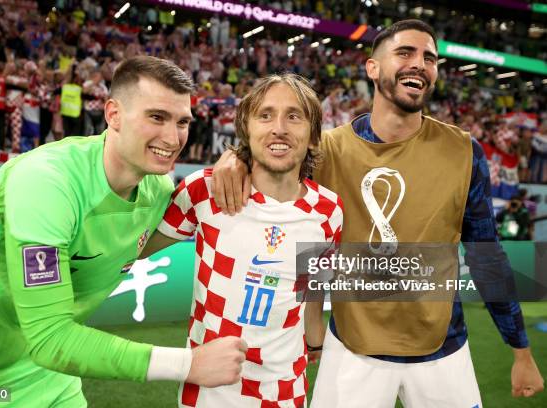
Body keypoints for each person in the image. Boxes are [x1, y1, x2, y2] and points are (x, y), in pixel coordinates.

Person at [212, 20, 544, 407]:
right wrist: (236, 157)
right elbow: (311, 237)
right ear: (372, 68)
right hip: (350, 349)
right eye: (405, 53)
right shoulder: (325, 152)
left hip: (444, 349)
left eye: (429, 58)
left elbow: (486, 254)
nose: (419, 63)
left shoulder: (466, 152)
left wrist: (521, 350)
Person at [0, 56, 246, 407]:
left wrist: (237, 156)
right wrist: (188, 363)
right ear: (113, 114)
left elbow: (142, 239)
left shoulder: (157, 188)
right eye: (156, 117)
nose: (173, 138)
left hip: (49, 376)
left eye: (183, 122)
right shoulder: (46, 183)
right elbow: (50, 338)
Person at [140, 73, 343, 407]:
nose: (279, 127)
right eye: (265, 115)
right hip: (208, 393)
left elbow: (311, 286)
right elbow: (134, 250)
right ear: (246, 130)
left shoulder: (328, 210)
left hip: (286, 390)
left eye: (294, 116)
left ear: (313, 136)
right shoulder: (204, 192)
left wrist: (315, 338)